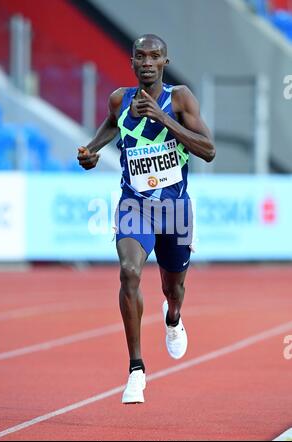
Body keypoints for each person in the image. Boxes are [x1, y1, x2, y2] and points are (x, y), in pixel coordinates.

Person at [77, 34, 215, 404]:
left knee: (174, 290)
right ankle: (136, 370)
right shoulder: (119, 99)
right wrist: (92, 151)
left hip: (175, 211)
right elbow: (111, 124)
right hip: (134, 205)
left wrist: (163, 119)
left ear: (164, 62)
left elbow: (209, 151)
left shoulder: (180, 98)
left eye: (155, 56)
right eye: (141, 56)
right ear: (133, 62)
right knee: (129, 272)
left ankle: (172, 318)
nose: (148, 62)